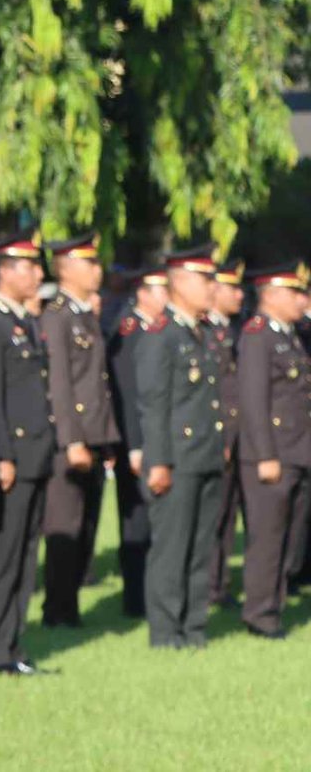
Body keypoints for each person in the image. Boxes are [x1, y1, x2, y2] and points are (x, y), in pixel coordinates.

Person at [0, 228, 51, 675]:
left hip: (36, 453)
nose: (38, 274)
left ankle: (13, 644)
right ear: (4, 272)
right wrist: (1, 455)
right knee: (4, 553)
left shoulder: (26, 322)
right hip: (11, 459)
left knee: (25, 553)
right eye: (28, 266)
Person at [137, 245, 225, 649]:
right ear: (181, 283)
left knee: (200, 547)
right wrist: (158, 462)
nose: (212, 288)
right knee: (172, 548)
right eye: (205, 280)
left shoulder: (202, 333)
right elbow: (154, 405)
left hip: (205, 454)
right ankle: (165, 631)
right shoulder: (162, 335)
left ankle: (193, 626)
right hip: (175, 459)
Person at [38, 234, 120, 627]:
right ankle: (57, 610)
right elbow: (60, 385)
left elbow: (97, 382)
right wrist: (72, 440)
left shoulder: (86, 314)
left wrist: (106, 438)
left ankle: (68, 607)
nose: (97, 270)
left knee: (86, 528)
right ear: (66, 269)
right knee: (65, 528)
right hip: (71, 441)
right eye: (89, 263)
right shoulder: (57, 316)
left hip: (95, 436)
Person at [235, 261, 311, 640]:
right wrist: (265, 455)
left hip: (299, 452)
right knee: (268, 539)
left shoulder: (291, 336)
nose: (303, 300)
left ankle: (274, 604)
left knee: (291, 541)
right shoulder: (257, 336)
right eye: (296, 292)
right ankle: (260, 614)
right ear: (273, 295)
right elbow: (253, 401)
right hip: (273, 456)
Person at [107, 268, 167, 617]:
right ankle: (135, 600)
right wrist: (133, 446)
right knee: (136, 523)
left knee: (157, 523)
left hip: (157, 439)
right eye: (161, 289)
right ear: (142, 293)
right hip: (137, 442)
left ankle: (153, 594)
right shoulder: (130, 331)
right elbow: (128, 394)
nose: (167, 296)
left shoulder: (157, 330)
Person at [206, 258, 245, 608]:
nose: (239, 294)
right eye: (231, 287)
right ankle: (206, 586)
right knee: (212, 517)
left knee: (227, 516)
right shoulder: (204, 331)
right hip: (214, 438)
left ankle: (218, 584)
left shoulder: (230, 330)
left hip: (235, 436)